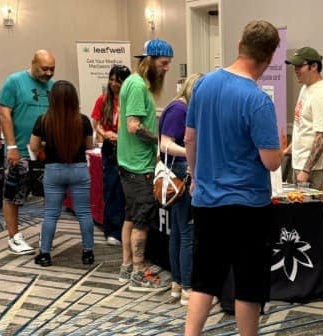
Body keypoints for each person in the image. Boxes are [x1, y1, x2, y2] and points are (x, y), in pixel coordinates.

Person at [182, 20, 282, 336]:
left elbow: (189, 139)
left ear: (239, 45)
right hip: (248, 206)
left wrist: (197, 178)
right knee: (248, 285)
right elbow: (271, 162)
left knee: (204, 279)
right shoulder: (258, 101)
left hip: (208, 201)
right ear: (269, 59)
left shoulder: (203, 85)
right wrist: (279, 145)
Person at [117, 38, 174, 291]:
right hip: (140, 167)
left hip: (130, 165)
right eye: (163, 63)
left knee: (130, 217)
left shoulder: (131, 82)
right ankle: (139, 272)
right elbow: (134, 126)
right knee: (141, 221)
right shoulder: (139, 86)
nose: (166, 68)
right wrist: (159, 139)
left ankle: (127, 266)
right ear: (149, 60)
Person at [29, 80, 96, 267]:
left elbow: (34, 146)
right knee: (84, 213)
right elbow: (89, 146)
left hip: (53, 170)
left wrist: (48, 145)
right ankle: (88, 253)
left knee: (51, 214)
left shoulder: (43, 120)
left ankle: (45, 254)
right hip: (79, 170)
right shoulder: (83, 120)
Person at [0, 50, 55, 255]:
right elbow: (4, 113)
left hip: (45, 153)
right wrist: (11, 146)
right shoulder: (14, 81)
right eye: (44, 68)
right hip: (20, 151)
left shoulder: (53, 86)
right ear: (33, 64)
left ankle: (46, 233)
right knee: (14, 195)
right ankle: (14, 237)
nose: (49, 73)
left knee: (49, 194)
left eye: (52, 69)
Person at [158, 72, 202, 305]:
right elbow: (165, 143)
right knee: (186, 233)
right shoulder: (180, 110)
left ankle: (177, 284)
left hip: (175, 174)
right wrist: (191, 152)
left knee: (177, 231)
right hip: (181, 174)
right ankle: (187, 288)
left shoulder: (176, 107)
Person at [283, 46, 323, 190]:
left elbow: (322, 135)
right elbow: (303, 125)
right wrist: (290, 148)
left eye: (299, 66)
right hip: (300, 164)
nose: (295, 70)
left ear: (314, 66)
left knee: (312, 212)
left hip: (314, 170)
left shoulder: (322, 95)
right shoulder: (306, 88)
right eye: (294, 66)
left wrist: (306, 170)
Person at [91, 64, 131, 246]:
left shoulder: (130, 99)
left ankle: (127, 228)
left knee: (127, 191)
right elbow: (96, 122)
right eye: (112, 80)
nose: (114, 83)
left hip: (128, 148)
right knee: (112, 188)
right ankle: (113, 230)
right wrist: (104, 133)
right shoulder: (104, 99)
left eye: (118, 80)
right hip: (110, 148)